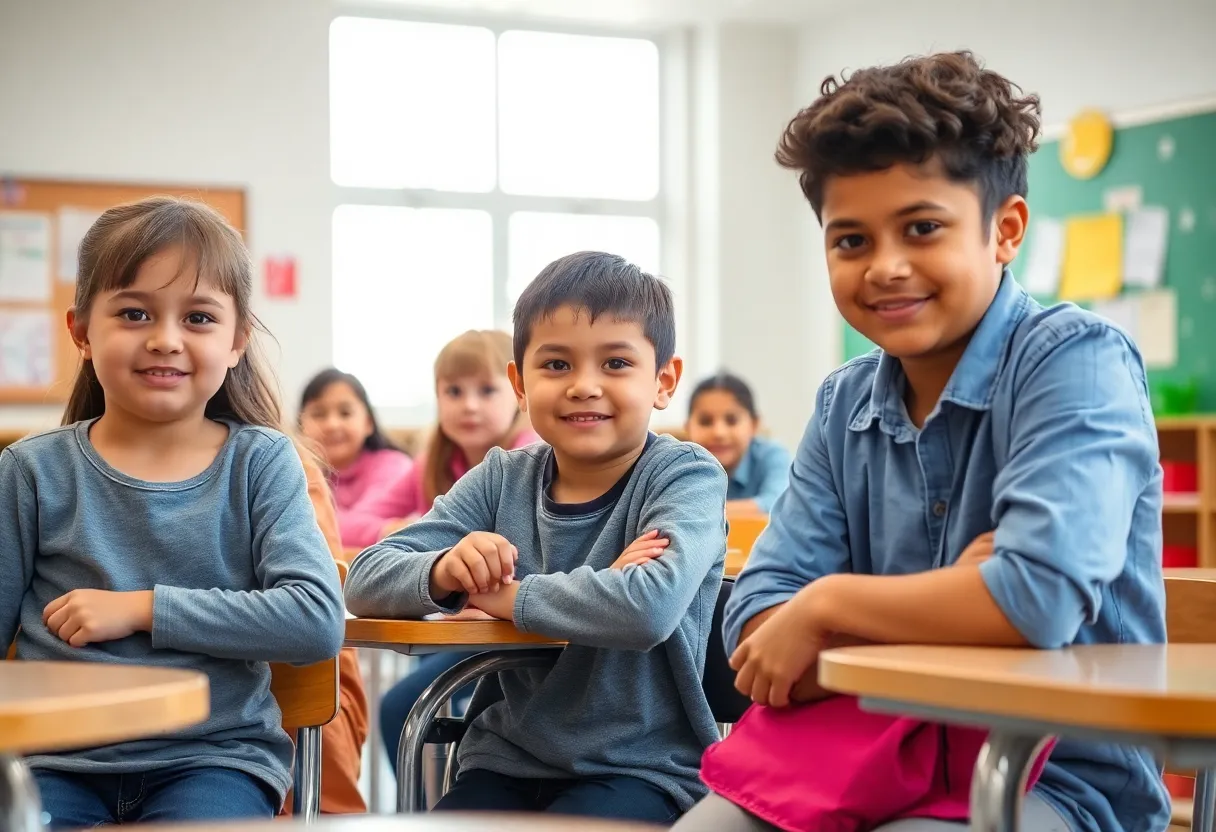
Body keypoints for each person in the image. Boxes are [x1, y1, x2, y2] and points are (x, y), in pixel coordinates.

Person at [676, 52, 1167, 832]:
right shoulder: (845, 403)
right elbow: (759, 628)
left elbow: (1033, 599)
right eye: (851, 242)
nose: (886, 267)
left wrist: (832, 605)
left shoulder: (1075, 361)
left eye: (922, 228)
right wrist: (962, 599)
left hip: (1054, 775)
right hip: (862, 756)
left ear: (1004, 230)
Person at [345, 251, 727, 823]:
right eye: (556, 365)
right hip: (504, 763)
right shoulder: (504, 477)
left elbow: (646, 608)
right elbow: (368, 577)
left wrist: (507, 598)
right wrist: (447, 569)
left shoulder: (684, 476)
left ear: (663, 381)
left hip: (639, 771)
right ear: (520, 383)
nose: (584, 386)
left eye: (617, 362)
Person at [0, 197, 345, 829]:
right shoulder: (31, 471)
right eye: (134, 313)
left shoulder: (260, 462)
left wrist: (143, 608)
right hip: (53, 764)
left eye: (199, 317)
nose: (165, 339)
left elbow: (315, 621)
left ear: (238, 339)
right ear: (81, 331)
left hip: (215, 759)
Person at [375, 329, 540, 774]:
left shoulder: (531, 458)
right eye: (453, 391)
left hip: (516, 632)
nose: (468, 404)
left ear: (518, 391)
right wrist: (425, 546)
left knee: (401, 707)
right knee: (409, 708)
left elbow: (532, 560)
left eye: (486, 390)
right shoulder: (432, 460)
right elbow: (360, 523)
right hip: (451, 624)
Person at [298, 367, 413, 549]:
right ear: (301, 425)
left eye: (345, 413)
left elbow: (317, 526)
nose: (332, 425)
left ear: (368, 423)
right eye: (318, 414)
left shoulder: (395, 465)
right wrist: (384, 529)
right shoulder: (295, 473)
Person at [685, 372, 791, 514]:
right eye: (705, 422)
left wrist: (696, 512)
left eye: (732, 420)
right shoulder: (679, 464)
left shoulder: (773, 456)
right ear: (688, 428)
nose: (719, 433)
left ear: (754, 425)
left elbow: (776, 504)